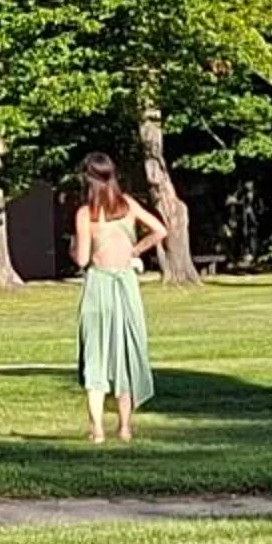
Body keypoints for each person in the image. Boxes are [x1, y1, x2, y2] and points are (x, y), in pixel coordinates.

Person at [72, 152, 166, 444]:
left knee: (96, 355)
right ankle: (125, 426)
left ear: (88, 180)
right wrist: (135, 250)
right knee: (125, 351)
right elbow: (160, 230)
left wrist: (74, 249)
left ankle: (97, 428)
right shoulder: (128, 206)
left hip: (99, 284)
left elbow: (83, 258)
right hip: (126, 283)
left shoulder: (85, 214)